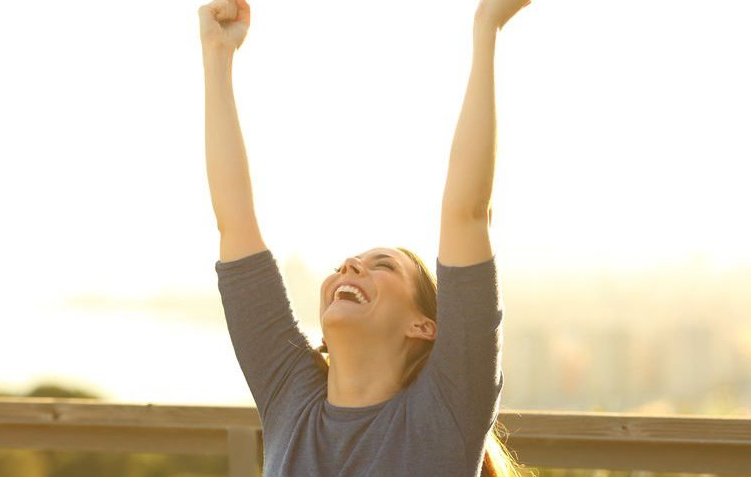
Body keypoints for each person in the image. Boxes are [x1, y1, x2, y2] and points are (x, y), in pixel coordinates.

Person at [198, 0, 532, 475]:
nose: (349, 266)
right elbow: (234, 221)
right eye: (348, 263)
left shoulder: (447, 410)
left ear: (424, 327)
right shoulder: (289, 394)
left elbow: (467, 215)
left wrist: (486, 27)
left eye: (383, 265)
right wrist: (217, 56)